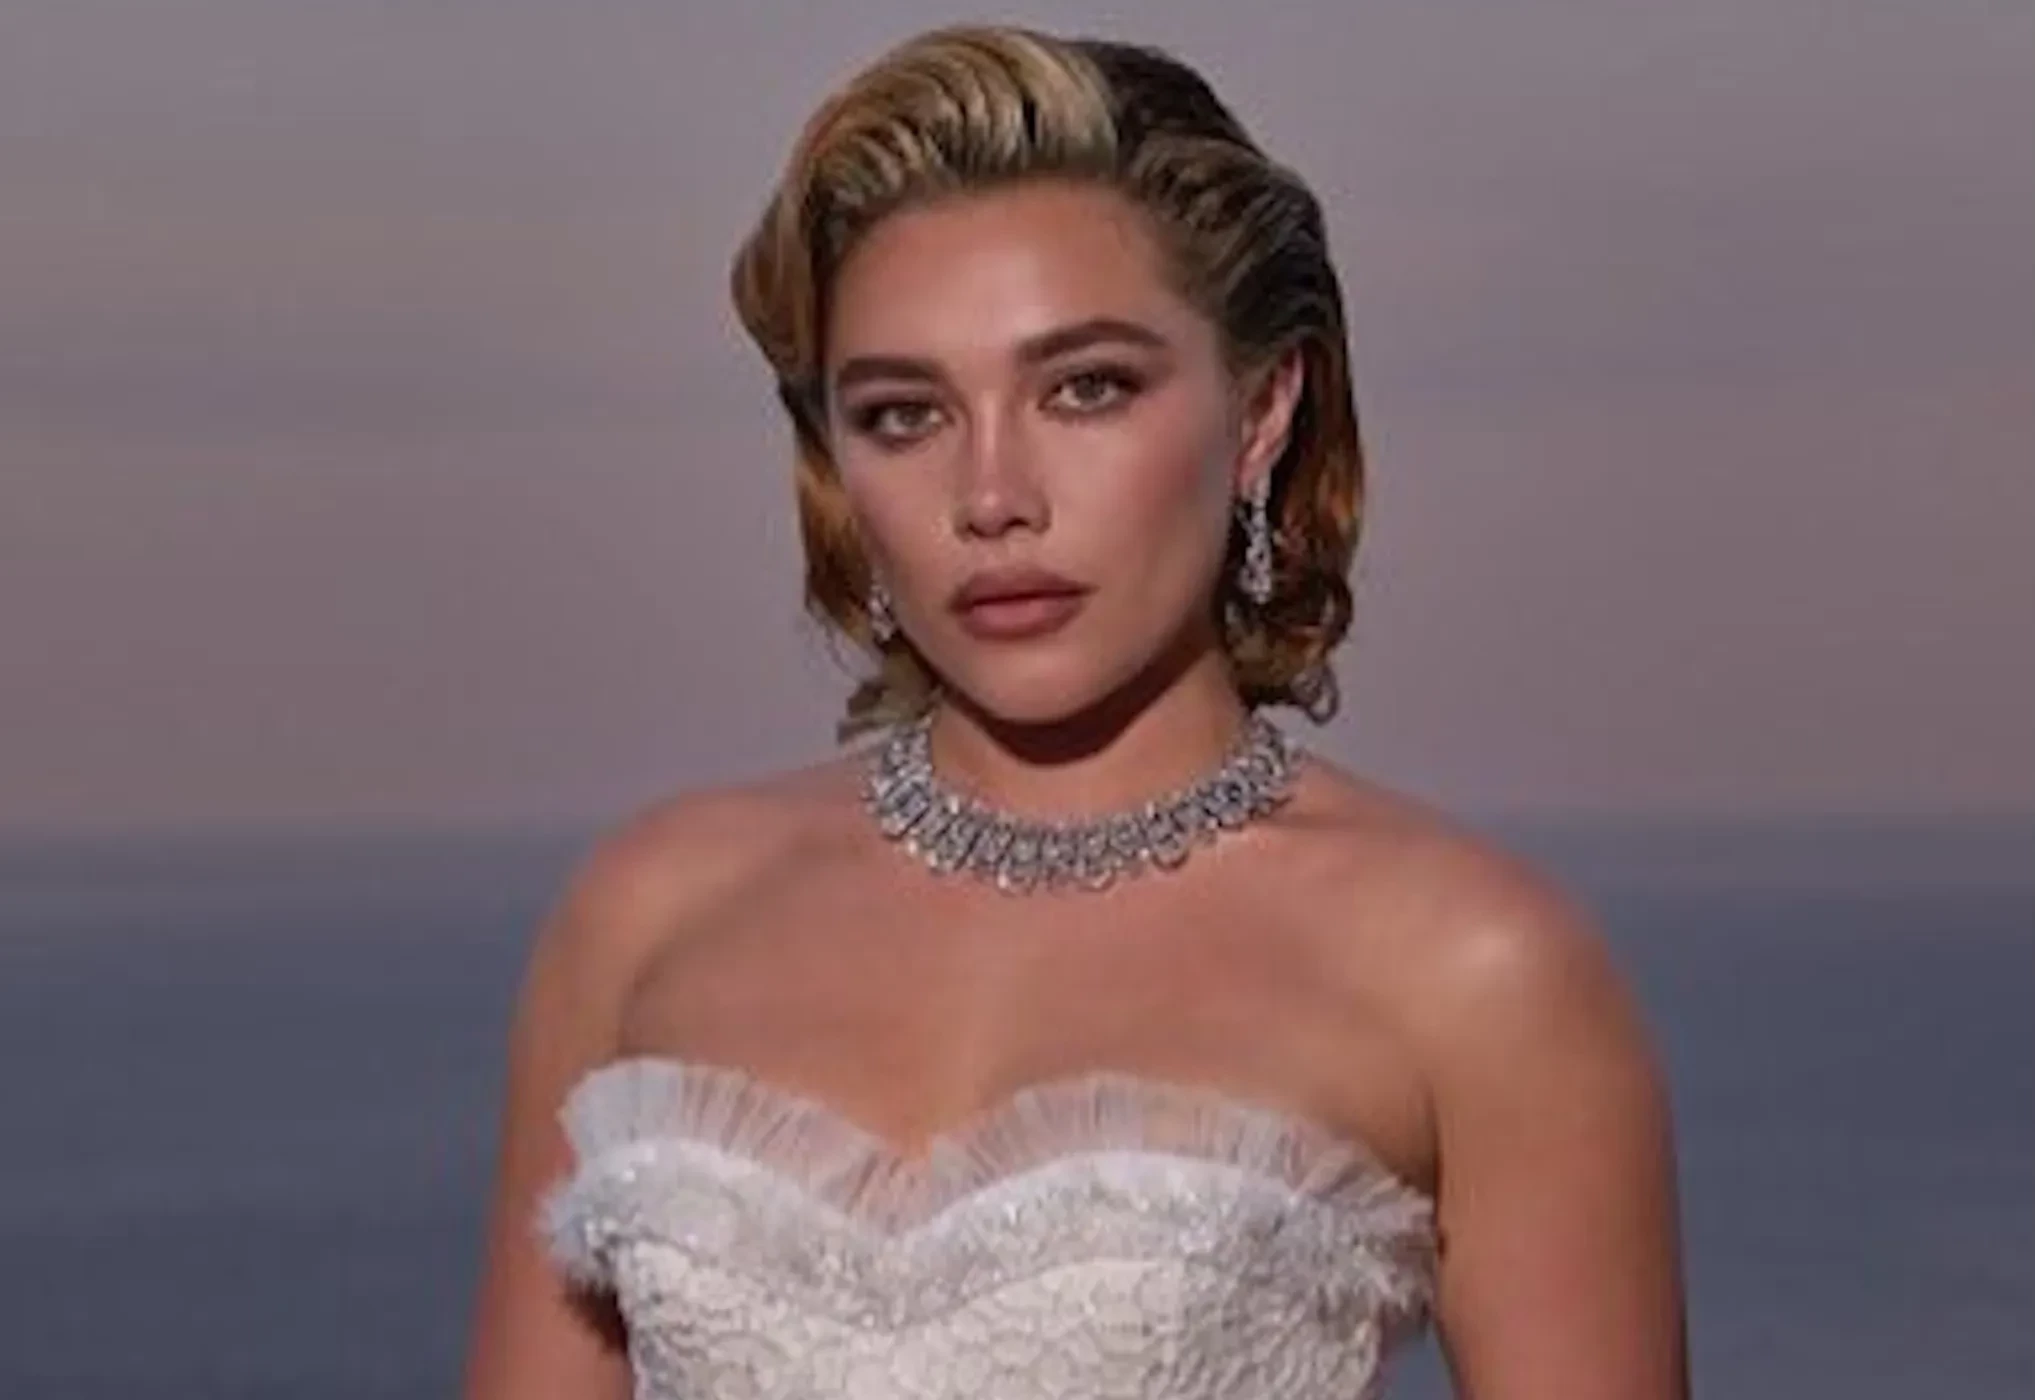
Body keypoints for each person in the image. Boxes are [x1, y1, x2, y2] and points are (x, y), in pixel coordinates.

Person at [461, 23, 1688, 1400]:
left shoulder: (1473, 969)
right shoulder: (648, 916)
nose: (993, 498)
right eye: (905, 414)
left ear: (1262, 408)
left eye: (1086, 389)